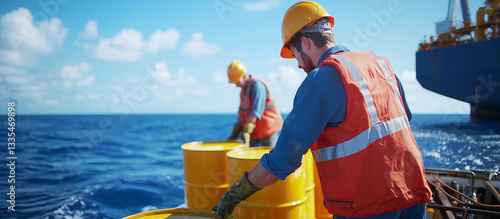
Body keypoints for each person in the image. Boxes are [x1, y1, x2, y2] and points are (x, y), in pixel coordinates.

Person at [213, 1, 432, 219]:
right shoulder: (380, 63)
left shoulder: (320, 80)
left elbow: (283, 159)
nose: (298, 65)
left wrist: (235, 194)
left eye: (294, 54)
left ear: (305, 43)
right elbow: (405, 118)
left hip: (369, 205)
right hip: (413, 193)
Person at [226, 60, 283, 147]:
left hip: (266, 129)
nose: (236, 85)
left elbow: (257, 110)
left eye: (237, 82)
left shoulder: (257, 86)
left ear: (244, 76)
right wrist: (236, 131)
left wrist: (247, 131)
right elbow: (243, 111)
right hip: (253, 132)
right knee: (249, 158)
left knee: (271, 157)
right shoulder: (243, 89)